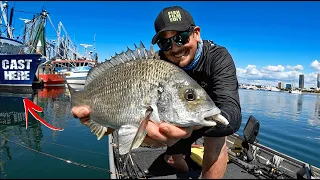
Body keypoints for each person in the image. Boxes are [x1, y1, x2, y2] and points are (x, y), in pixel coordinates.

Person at [71, 6, 242, 179]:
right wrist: (103, 122)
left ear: (196, 33)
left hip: (206, 119)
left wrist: (197, 123)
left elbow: (232, 111)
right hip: (177, 121)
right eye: (165, 43)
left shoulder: (218, 57)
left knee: (218, 140)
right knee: (173, 157)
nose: (175, 48)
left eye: (181, 38)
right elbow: (124, 110)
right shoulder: (158, 62)